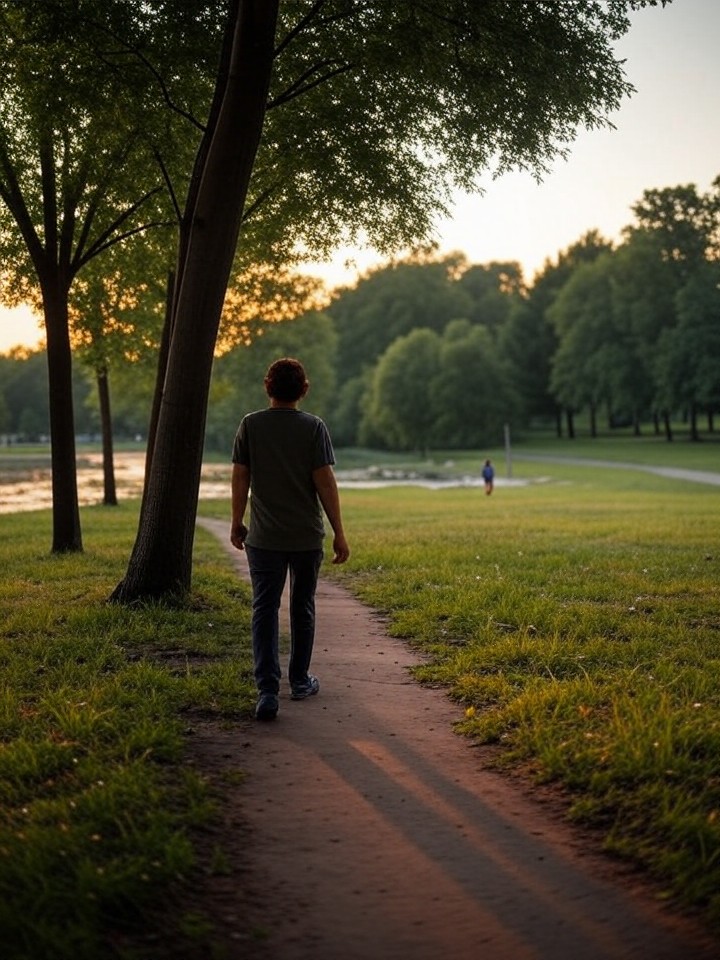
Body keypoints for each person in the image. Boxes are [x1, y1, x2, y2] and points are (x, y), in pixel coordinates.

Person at [230, 357, 350, 721]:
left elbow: (240, 477)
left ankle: (267, 690)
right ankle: (299, 680)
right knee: (302, 606)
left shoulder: (251, 425)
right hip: (305, 538)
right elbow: (325, 483)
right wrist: (339, 532)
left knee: (264, 608)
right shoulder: (313, 427)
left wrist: (237, 521)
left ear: (267, 387)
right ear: (304, 389)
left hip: (264, 538)